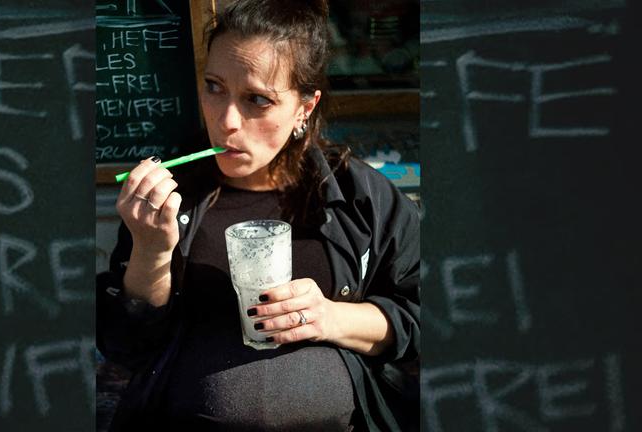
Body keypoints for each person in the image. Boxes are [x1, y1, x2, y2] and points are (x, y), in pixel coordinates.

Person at [96, 0, 420, 430]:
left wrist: (330, 317)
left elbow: (419, 314)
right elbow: (127, 345)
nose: (227, 121)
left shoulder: (360, 198)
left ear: (305, 107)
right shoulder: (173, 196)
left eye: (257, 100)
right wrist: (151, 252)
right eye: (214, 87)